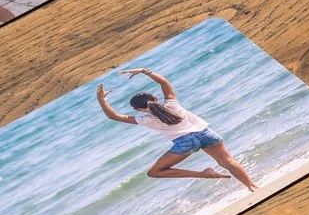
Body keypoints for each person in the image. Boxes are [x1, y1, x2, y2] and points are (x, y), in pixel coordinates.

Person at [95, 66, 256, 189]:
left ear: (138, 109)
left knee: (154, 172)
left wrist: (102, 100)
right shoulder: (172, 104)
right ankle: (252, 186)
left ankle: (204, 174)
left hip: (185, 143)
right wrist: (144, 71)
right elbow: (164, 82)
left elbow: (114, 116)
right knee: (227, 161)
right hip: (206, 133)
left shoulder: (145, 119)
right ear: (155, 98)